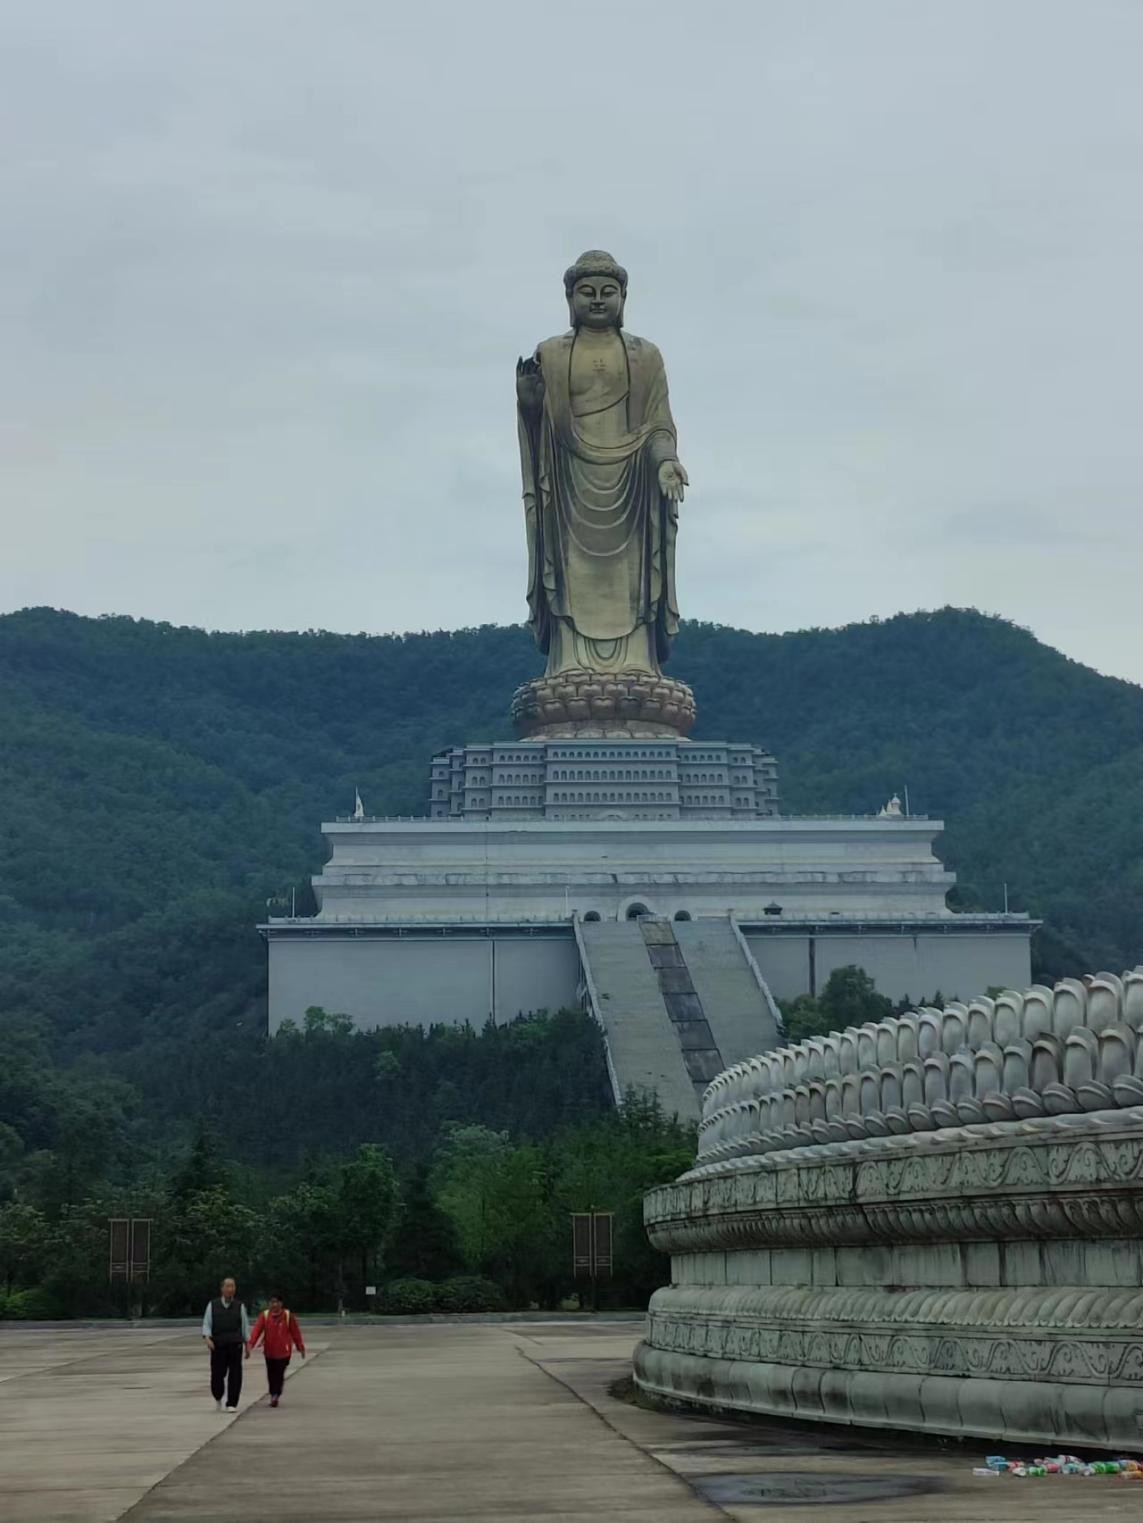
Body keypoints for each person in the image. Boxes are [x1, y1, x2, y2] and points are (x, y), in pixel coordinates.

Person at [201, 1275, 250, 1412]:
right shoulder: (213, 1305)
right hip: (218, 1345)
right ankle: (218, 1397)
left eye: (233, 1286)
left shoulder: (239, 1306)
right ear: (222, 1289)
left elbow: (245, 1326)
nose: (231, 1289)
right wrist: (207, 1338)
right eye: (228, 1286)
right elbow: (207, 1323)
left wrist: (247, 1344)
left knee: (235, 1374)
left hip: (235, 1344)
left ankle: (231, 1403)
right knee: (217, 1374)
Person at [247, 1294, 306, 1407]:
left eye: (276, 1302)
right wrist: (251, 1344)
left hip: (284, 1352)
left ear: (281, 1303)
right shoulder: (264, 1316)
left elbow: (295, 1333)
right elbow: (257, 1330)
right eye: (272, 1302)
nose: (274, 1304)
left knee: (279, 1374)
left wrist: (300, 1347)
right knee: (271, 1374)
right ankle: (273, 1393)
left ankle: (276, 1395)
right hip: (269, 1351)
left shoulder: (288, 1316)